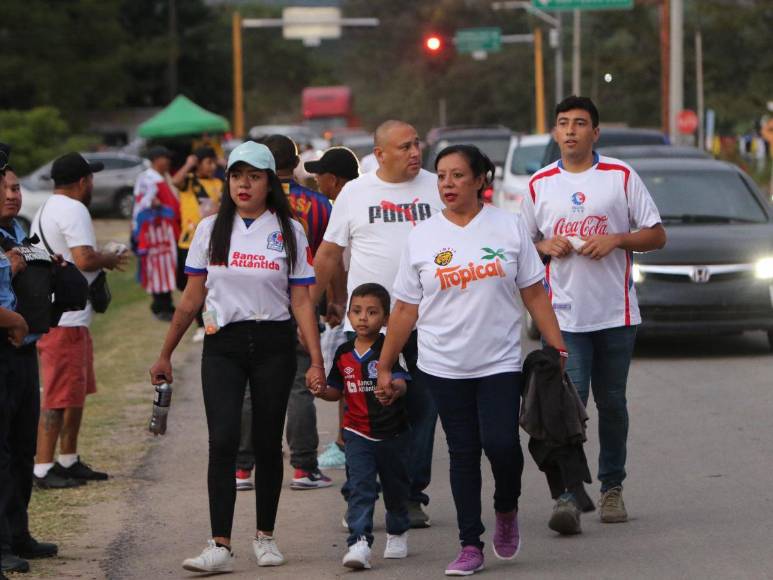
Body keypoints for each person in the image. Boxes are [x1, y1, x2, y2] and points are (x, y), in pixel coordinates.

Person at [376, 144, 566, 575]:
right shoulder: (423, 236)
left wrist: (557, 348)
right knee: (462, 453)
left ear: (481, 180)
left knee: (502, 446)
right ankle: (470, 544)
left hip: (498, 361)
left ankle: (506, 508)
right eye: (442, 176)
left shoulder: (508, 227)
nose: (447, 184)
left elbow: (534, 293)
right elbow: (404, 308)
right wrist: (386, 365)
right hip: (442, 365)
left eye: (458, 175)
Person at [149, 141, 325, 573]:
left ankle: (265, 537)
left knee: (267, 442)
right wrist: (165, 353)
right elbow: (191, 299)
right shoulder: (210, 230)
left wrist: (317, 360)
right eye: (236, 176)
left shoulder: (290, 231)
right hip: (223, 345)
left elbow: (302, 301)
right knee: (223, 440)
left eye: (254, 177)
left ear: (269, 182)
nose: (244, 185)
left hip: (273, 345)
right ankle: (219, 545)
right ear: (227, 180)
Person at [519, 96, 666, 529]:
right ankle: (567, 494)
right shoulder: (540, 184)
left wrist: (617, 239)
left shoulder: (620, 176)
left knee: (613, 404)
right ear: (555, 132)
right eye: (563, 123)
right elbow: (519, 246)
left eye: (580, 123)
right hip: (564, 317)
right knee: (568, 405)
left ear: (595, 133)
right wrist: (544, 245)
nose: (570, 130)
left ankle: (611, 487)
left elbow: (657, 235)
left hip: (616, 315)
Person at [313, 120, 443, 528]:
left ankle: (410, 496)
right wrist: (308, 306)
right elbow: (329, 254)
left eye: (417, 144)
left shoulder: (436, 187)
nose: (415, 152)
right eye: (405, 146)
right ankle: (360, 494)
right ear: (380, 154)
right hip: (368, 328)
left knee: (421, 413)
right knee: (362, 417)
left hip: (427, 322)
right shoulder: (355, 192)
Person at [235, 134, 335, 492]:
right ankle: (303, 467)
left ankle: (242, 469)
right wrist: (334, 300)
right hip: (304, 301)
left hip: (256, 306)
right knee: (299, 386)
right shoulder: (320, 204)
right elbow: (331, 256)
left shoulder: (246, 204)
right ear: (295, 164)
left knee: (249, 388)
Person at [31, 152, 128, 488]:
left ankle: (68, 459)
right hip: (66, 319)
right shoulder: (74, 209)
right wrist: (110, 258)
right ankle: (43, 467)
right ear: (83, 181)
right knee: (58, 394)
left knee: (73, 391)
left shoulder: (47, 208)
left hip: (61, 314)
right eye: (91, 178)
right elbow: (84, 259)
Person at [309, 283, 411, 570]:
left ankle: (397, 531)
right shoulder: (343, 353)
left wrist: (395, 388)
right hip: (356, 433)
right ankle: (359, 543)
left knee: (395, 488)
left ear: (386, 318)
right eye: (356, 311)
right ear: (349, 316)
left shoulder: (389, 349)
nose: (363, 317)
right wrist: (321, 391)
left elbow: (402, 381)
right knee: (360, 487)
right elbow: (336, 390)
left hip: (391, 433)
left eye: (372, 312)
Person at [0, 160, 58, 576]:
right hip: (4, 345)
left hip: (24, 350)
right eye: (5, 189)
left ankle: (19, 534)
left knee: (23, 447)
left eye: (17, 188)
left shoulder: (18, 229)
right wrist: (14, 320)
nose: (13, 195)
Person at [304, 146, 360, 470]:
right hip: (359, 305)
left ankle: (344, 443)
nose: (316, 179)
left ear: (334, 180)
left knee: (347, 378)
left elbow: (336, 261)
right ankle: (346, 440)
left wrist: (336, 301)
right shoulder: (358, 202)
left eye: (320, 174)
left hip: (354, 308)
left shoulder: (342, 208)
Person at [172, 146, 223, 342]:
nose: (212, 167)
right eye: (208, 162)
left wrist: (223, 163)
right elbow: (176, 181)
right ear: (198, 163)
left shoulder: (219, 183)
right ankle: (202, 324)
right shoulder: (189, 181)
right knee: (189, 288)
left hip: (211, 242)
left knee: (208, 288)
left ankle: (208, 325)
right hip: (188, 243)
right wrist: (189, 164)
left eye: (214, 163)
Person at [132, 145, 179, 321]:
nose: (169, 161)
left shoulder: (162, 177)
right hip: (154, 231)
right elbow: (141, 203)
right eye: (165, 157)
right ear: (156, 160)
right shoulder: (147, 178)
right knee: (157, 268)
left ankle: (166, 305)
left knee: (166, 268)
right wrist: (153, 204)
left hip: (166, 230)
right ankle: (160, 307)